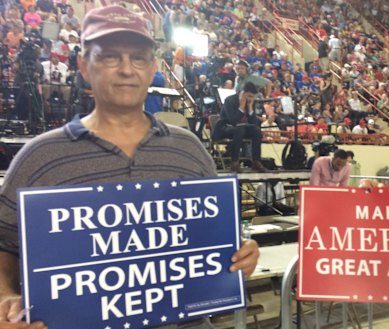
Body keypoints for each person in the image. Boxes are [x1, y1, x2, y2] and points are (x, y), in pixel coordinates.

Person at [0, 6, 259, 329]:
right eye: (110, 57)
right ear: (83, 64)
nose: (126, 69)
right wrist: (4, 297)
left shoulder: (189, 149)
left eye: (138, 58)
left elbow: (214, 242)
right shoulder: (39, 157)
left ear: (152, 69)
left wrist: (242, 253)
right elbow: (4, 247)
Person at [213, 82, 267, 173]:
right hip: (225, 127)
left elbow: (254, 123)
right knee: (239, 130)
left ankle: (256, 161)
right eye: (249, 96)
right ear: (243, 93)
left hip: (241, 128)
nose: (251, 99)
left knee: (257, 130)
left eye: (253, 97)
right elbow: (233, 121)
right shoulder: (229, 100)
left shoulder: (250, 102)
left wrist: (250, 108)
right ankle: (234, 162)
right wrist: (241, 107)